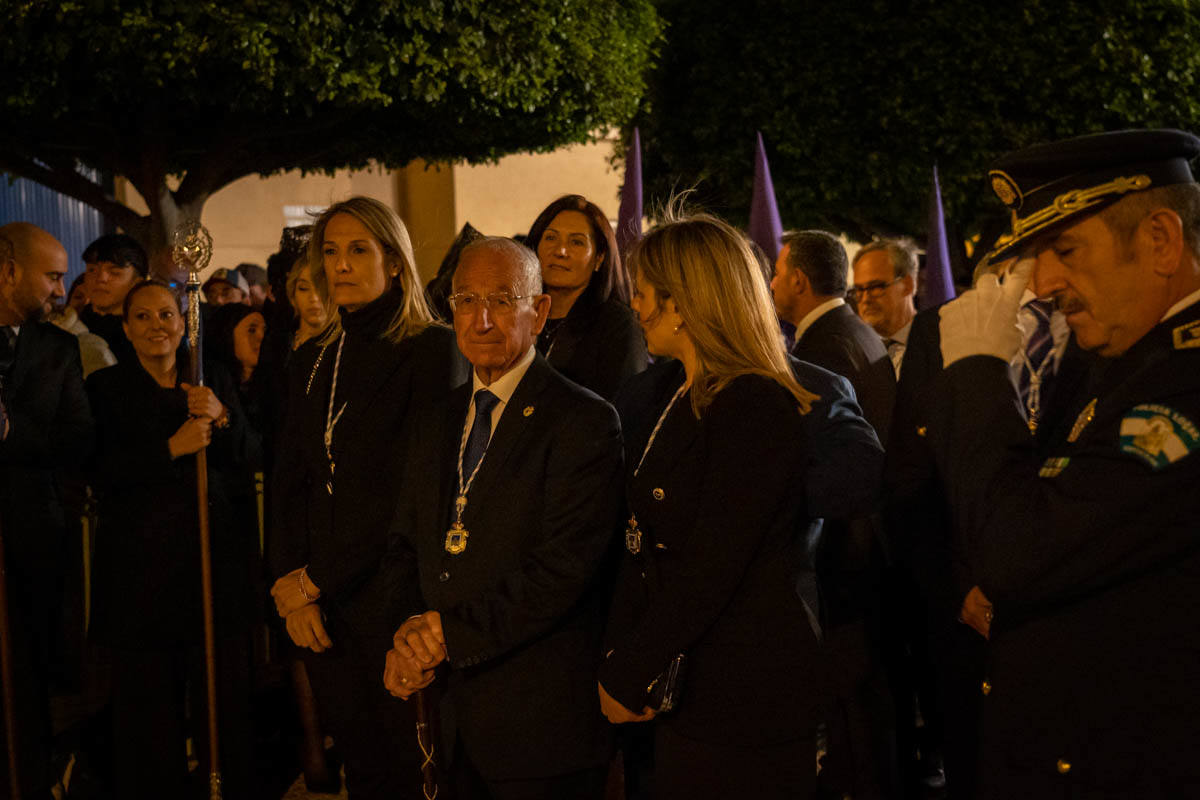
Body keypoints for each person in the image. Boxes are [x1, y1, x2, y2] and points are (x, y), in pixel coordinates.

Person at [925, 128, 1200, 798]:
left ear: (1161, 242)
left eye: (1065, 249)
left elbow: (1021, 550)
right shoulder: (1124, 359)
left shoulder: (1185, 383)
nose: (1045, 283)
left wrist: (977, 373)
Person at [597, 211, 883, 799]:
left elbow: (715, 561)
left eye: (645, 293)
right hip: (695, 681)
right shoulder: (682, 392)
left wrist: (630, 669)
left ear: (682, 304)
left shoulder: (753, 402)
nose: (638, 309)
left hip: (747, 689)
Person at [381, 236, 624, 799]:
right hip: (446, 715)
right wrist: (403, 636)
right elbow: (402, 545)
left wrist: (447, 633)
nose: (482, 319)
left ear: (538, 312)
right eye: (466, 300)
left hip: (538, 725)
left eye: (501, 300)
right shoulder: (436, 417)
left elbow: (562, 570)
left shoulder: (583, 420)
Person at [267, 196, 466, 800]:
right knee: (361, 767)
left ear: (396, 262)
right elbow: (288, 483)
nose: (341, 265)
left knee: (411, 769)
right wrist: (289, 588)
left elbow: (409, 492)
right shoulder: (312, 357)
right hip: (323, 609)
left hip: (392, 598)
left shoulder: (433, 350)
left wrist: (316, 579)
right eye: (330, 252)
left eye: (359, 250)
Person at [86, 279, 256, 799]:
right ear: (126, 327)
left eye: (166, 315)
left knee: (222, 702)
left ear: (184, 324)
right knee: (147, 709)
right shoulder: (106, 389)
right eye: (142, 317)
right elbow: (98, 471)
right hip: (141, 573)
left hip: (211, 566)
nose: (156, 326)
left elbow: (250, 455)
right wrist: (172, 448)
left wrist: (221, 417)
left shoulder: (212, 378)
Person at [0, 223, 94, 799]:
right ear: (9, 270)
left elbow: (77, 440)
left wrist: (11, 433)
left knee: (29, 677)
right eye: (52, 275)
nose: (62, 290)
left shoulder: (59, 350)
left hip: (34, 540)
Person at [773, 229, 896, 440]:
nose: (772, 284)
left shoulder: (825, 347)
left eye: (776, 273)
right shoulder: (858, 330)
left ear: (798, 280)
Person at [526, 194, 647, 399]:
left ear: (599, 258)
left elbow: (623, 407)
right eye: (551, 238)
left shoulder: (617, 325)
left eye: (576, 242)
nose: (561, 251)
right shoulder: (520, 315)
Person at [850, 238, 918, 377]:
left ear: (907, 285)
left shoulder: (938, 344)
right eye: (859, 290)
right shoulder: (855, 353)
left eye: (875, 287)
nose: (865, 299)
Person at [80, 232, 148, 362]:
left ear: (137, 283)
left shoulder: (144, 334)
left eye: (115, 272)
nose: (101, 278)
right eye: (92, 270)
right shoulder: (71, 324)